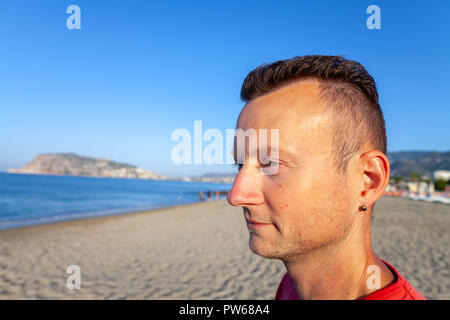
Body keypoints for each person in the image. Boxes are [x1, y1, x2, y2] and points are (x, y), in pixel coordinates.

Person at [227, 55, 425, 300]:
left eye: (271, 163)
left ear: (368, 181)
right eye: (240, 164)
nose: (236, 196)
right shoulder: (291, 285)